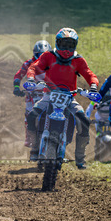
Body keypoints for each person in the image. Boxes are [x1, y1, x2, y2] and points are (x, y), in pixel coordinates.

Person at [23, 27, 99, 169]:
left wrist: (93, 86)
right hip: (49, 94)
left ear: (75, 45)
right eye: (64, 44)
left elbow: (89, 74)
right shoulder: (48, 56)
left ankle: (80, 158)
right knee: (32, 115)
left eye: (70, 45)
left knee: (84, 120)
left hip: (69, 97)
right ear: (57, 43)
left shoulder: (78, 60)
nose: (66, 49)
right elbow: (34, 67)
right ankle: (35, 148)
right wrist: (31, 79)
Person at [13, 40, 51, 147]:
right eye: (39, 55)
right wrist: (16, 87)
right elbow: (18, 75)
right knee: (29, 114)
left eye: (43, 55)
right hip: (32, 94)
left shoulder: (53, 63)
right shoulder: (28, 63)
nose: (41, 58)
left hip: (49, 92)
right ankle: (28, 136)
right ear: (34, 54)